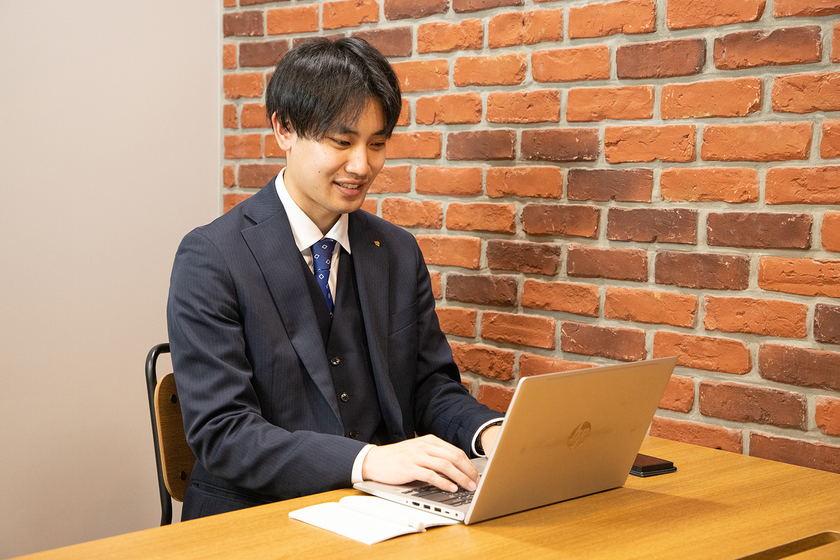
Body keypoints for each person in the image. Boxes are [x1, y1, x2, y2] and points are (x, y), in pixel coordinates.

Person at [167, 37, 503, 521]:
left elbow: (428, 386)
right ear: (284, 129)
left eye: (377, 144)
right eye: (342, 142)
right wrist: (366, 461)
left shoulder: (397, 251)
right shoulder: (211, 257)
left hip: (381, 513)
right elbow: (224, 432)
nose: (362, 166)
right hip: (255, 518)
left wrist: (490, 433)